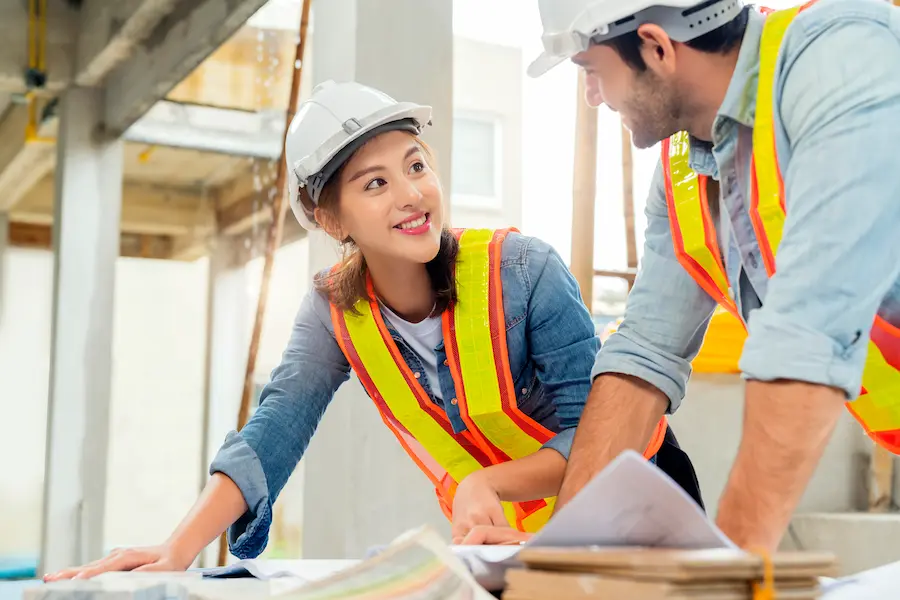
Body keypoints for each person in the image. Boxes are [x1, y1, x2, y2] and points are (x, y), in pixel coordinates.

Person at [44, 80, 704, 580]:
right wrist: (176, 549)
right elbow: (273, 431)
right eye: (375, 183)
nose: (411, 196)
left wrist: (489, 484)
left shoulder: (523, 271)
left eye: (416, 166)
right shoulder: (336, 312)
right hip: (514, 542)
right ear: (330, 219)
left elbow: (597, 434)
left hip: (642, 503)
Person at [461, 0, 900, 550]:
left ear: (658, 47)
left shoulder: (844, 58)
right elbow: (643, 355)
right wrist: (558, 558)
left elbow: (811, 330)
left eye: (592, 72)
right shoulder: (683, 167)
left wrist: (732, 577)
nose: (593, 97)